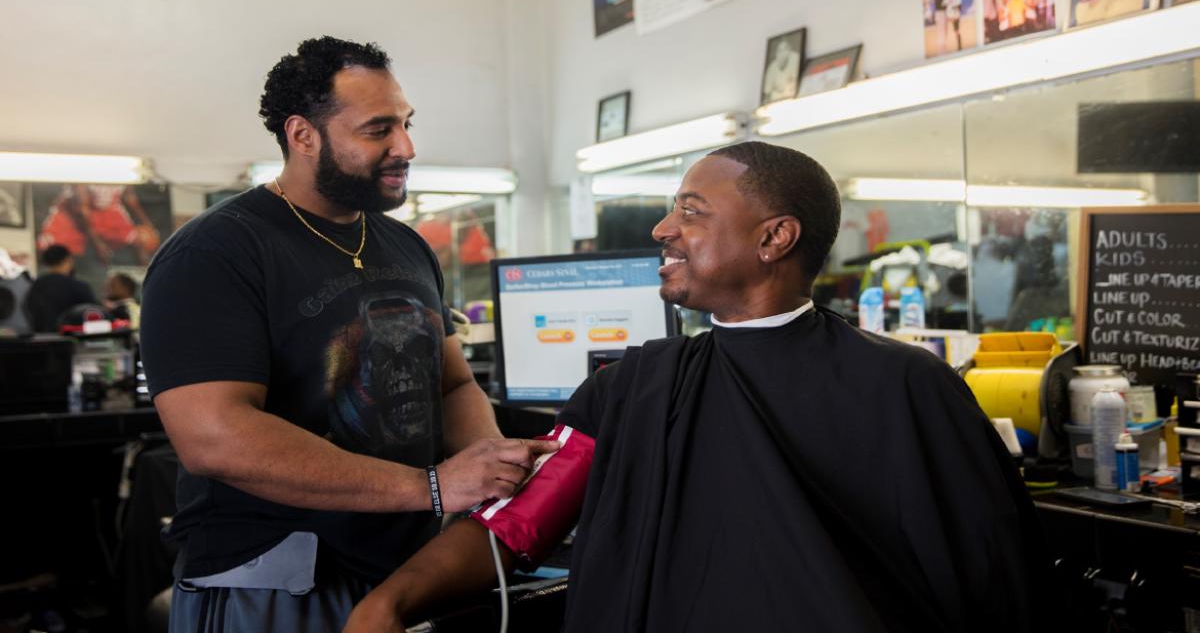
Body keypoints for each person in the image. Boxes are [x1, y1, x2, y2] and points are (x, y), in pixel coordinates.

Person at [346, 142, 1048, 633]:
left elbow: (993, 583)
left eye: (691, 211)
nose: (662, 229)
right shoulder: (630, 392)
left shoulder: (906, 386)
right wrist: (391, 602)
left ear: (775, 237)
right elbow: (515, 528)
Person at [140, 37, 557, 632]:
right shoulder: (218, 251)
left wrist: (488, 476)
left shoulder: (405, 244)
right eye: (378, 129)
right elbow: (215, 437)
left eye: (407, 124)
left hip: (403, 568)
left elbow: (453, 384)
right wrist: (433, 485)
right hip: (277, 580)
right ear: (302, 135)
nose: (406, 147)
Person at [24, 245, 98, 333]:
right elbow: (94, 311)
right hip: (70, 339)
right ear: (67, 259)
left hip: (41, 338)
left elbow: (29, 309)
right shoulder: (77, 286)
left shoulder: (36, 285)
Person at [761, 37, 801, 103]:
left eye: (786, 49)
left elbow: (794, 84)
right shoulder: (772, 68)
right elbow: (767, 93)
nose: (783, 53)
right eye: (780, 50)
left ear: (790, 50)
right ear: (776, 53)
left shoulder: (796, 58)